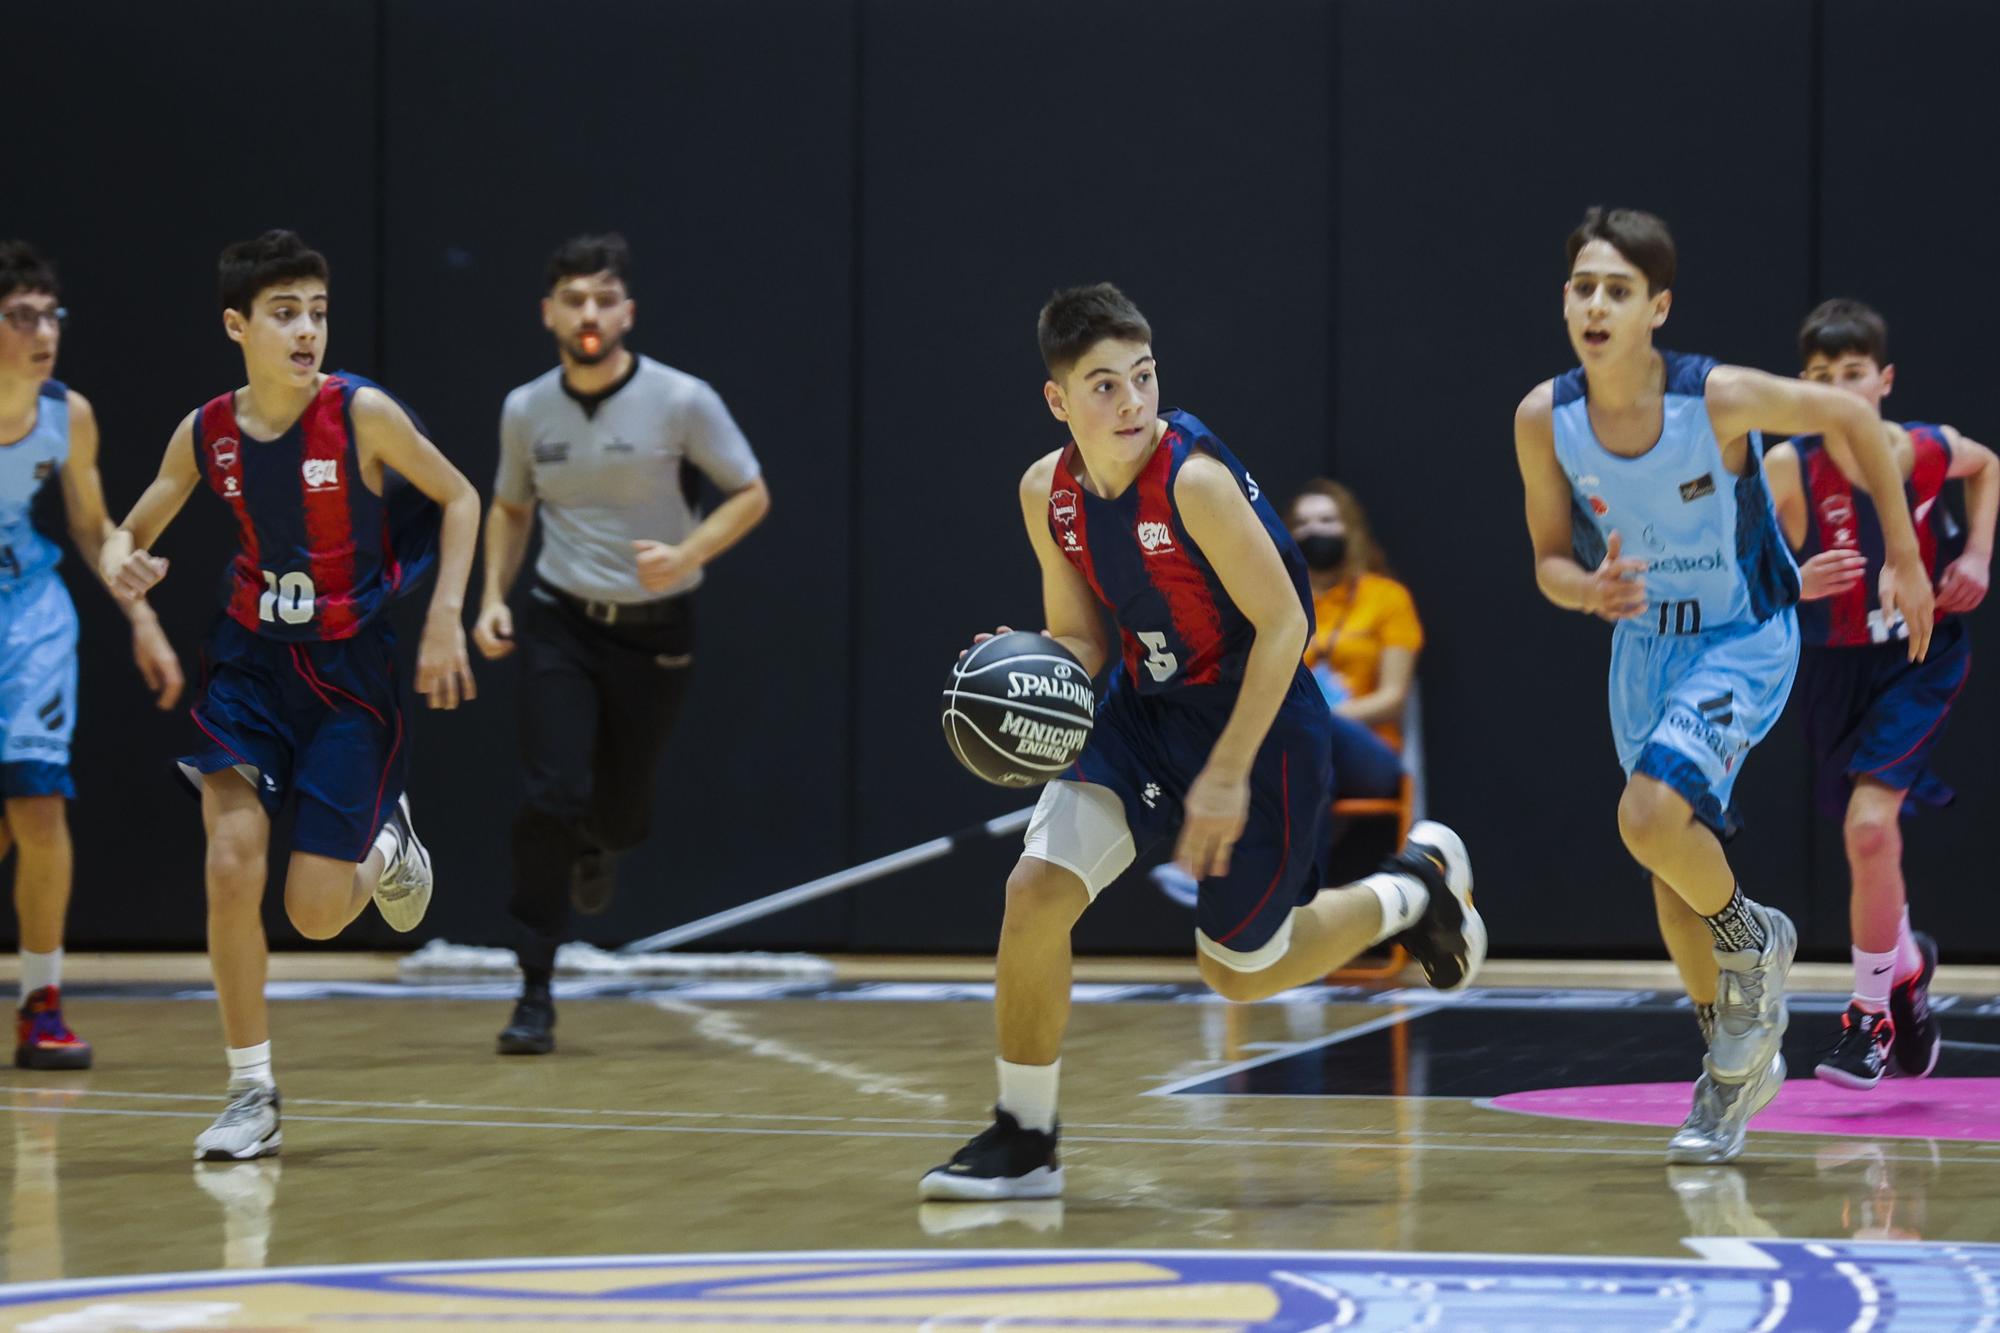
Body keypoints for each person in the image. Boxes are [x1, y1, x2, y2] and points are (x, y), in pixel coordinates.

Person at [920, 282, 1485, 1202]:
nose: (1133, 401)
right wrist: (1020, 665)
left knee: (1238, 969)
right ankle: (1025, 1138)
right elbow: (1081, 641)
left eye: (1143, 376)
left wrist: (1226, 775)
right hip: (1144, 714)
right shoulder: (1046, 493)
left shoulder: (1194, 481)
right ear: (1058, 400)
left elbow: (1285, 627)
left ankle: (1408, 890)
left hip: (1260, 724)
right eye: (1104, 385)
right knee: (1033, 892)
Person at [1513, 208, 1936, 1165]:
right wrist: (1588, 590)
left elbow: (1852, 417)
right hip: (1641, 647)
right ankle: (1735, 1065)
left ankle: (1760, 939)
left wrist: (1903, 554)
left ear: (1657, 307)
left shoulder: (1721, 399)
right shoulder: (1546, 416)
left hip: (1743, 636)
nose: (1595, 303)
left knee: (1649, 815)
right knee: (1669, 874)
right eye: (1582, 285)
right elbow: (1545, 557)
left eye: (1618, 289)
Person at [101, 230, 480, 1159]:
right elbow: (138, 518)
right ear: (238, 326)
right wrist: (123, 558)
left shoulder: (363, 415)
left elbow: (462, 497)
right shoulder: (208, 432)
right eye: (284, 314)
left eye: (317, 311)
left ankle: (388, 838)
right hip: (252, 666)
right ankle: (250, 1092)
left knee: (314, 909)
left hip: (349, 679)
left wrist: (444, 619)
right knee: (231, 861)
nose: (307, 330)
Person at [475, 233, 769, 1056]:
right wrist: (492, 598)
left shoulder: (682, 401)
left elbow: (750, 492)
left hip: (657, 631)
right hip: (558, 619)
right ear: (550, 313)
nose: (590, 313)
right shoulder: (526, 409)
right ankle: (534, 986)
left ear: (627, 311)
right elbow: (509, 509)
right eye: (574, 298)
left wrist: (688, 554)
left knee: (621, 812)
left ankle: (600, 842)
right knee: (548, 796)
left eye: (604, 298)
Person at [1762, 298, 1994, 1090]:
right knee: (1870, 842)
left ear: (1883, 379)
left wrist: (1977, 560)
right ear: (1802, 386)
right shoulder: (1789, 464)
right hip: (1833, 664)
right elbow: (1745, 568)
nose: (1837, 388)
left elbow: (1988, 464)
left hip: (1919, 658)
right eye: (1820, 377)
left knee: (1869, 827)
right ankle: (1907, 964)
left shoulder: (1922, 450)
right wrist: (1792, 579)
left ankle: (1868, 1018)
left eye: (1852, 374)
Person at [0, 242, 185, 1071]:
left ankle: (41, 1002)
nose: (45, 332)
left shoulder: (64, 414)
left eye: (52, 314)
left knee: (39, 807)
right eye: (22, 316)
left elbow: (90, 525)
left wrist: (142, 620)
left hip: (33, 618)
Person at [1152, 479, 1414, 905]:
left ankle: (1206, 865)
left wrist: (1317, 716)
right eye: (1305, 523)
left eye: (1328, 520)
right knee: (1306, 762)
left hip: (1371, 753)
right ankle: (1292, 910)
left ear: (1351, 529)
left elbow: (1394, 698)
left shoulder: (1388, 598)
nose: (1317, 531)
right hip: (1301, 749)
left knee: (1302, 730)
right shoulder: (1276, 598)